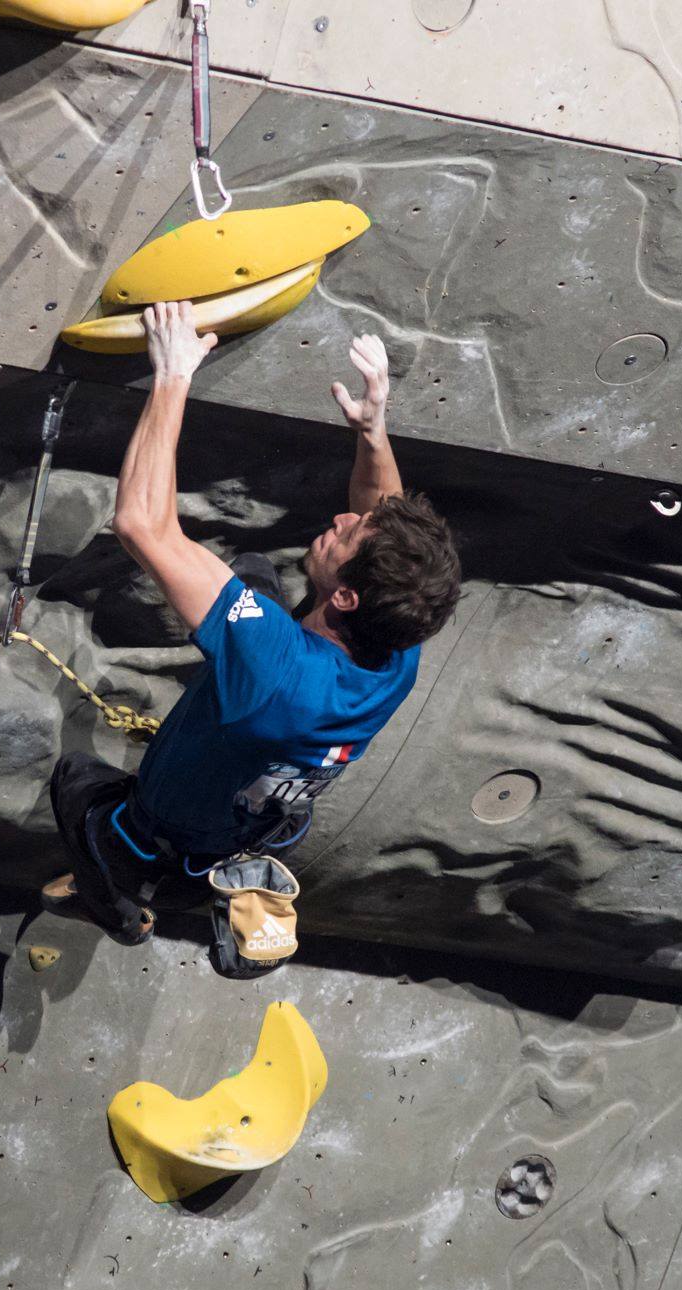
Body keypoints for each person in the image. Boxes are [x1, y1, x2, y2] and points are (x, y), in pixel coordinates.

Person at [48, 301, 463, 944]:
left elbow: (142, 524)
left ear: (348, 599)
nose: (343, 519)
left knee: (77, 785)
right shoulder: (398, 644)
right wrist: (373, 432)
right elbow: (384, 512)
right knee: (250, 577)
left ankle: (115, 899)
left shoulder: (272, 662)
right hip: (258, 815)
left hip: (168, 825)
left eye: (348, 536)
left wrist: (173, 374)